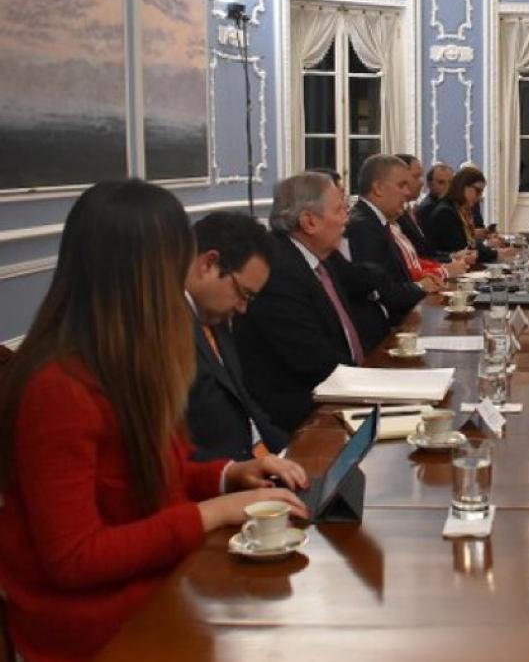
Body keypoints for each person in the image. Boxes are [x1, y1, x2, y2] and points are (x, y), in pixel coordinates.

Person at [0, 180, 308, 661]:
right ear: (138, 277)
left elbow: (146, 475)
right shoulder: (58, 386)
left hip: (158, 588)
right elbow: (73, 558)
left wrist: (228, 477)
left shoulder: (122, 360)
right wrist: (211, 513)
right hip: (100, 627)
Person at [235, 172, 367, 433]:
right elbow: (312, 361)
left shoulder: (316, 256)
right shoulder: (279, 270)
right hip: (305, 418)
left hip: (339, 393)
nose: (346, 218)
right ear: (309, 221)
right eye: (340, 210)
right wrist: (382, 385)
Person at [185, 212, 290, 462]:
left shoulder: (214, 316)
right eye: (243, 294)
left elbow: (244, 405)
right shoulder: (165, 329)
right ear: (209, 264)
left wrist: (290, 454)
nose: (243, 308)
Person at [342, 154, 440, 349]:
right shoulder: (363, 226)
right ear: (378, 188)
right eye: (401, 185)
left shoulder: (377, 221)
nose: (407, 192)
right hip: (380, 338)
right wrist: (421, 287)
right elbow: (384, 291)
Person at [424, 167, 514, 264]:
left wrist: (491, 247)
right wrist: (497, 253)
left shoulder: (461, 209)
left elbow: (471, 244)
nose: (479, 197)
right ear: (463, 187)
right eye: (478, 191)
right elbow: (463, 250)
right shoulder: (445, 212)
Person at [417, 162, 454, 235]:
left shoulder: (451, 203)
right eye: (441, 182)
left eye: (450, 182)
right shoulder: (428, 208)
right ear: (430, 185)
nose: (447, 187)